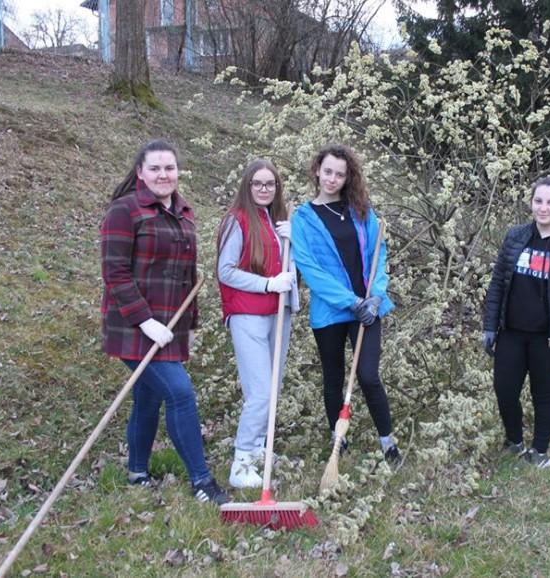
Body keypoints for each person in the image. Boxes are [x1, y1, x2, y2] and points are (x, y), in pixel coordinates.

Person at [100, 139, 227, 505]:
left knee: (148, 396)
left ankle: (137, 472)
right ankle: (202, 482)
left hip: (170, 326)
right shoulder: (124, 211)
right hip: (134, 327)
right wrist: (145, 321)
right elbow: (116, 274)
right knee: (180, 394)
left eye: (169, 168)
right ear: (140, 172)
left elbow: (180, 272)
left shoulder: (183, 211)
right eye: (155, 168)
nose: (163, 174)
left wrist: (185, 321)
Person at [291, 144, 401, 463]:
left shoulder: (361, 210)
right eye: (328, 172)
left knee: (368, 375)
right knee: (333, 377)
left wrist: (376, 295)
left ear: (347, 177)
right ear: (317, 171)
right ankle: (338, 440)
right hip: (331, 311)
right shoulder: (303, 218)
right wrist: (350, 301)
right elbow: (310, 269)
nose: (333, 179)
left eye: (340, 174)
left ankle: (388, 443)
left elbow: (379, 254)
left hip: (368, 308)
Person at [482, 176, 550, 468]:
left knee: (543, 394)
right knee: (504, 390)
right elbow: (497, 285)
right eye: (538, 201)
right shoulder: (516, 237)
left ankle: (539, 450)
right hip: (511, 333)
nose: (543, 208)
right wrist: (490, 325)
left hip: (548, 338)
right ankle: (514, 440)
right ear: (531, 203)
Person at [216, 159, 298, 488]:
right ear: (247, 186)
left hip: (278, 314)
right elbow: (226, 271)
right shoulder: (237, 221)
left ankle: (262, 450)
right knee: (260, 393)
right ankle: (242, 462)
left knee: (273, 390)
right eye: (258, 184)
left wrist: (296, 241)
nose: (264, 189)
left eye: (271, 184)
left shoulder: (278, 222)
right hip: (248, 312)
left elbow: (291, 269)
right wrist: (267, 284)